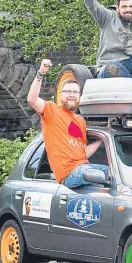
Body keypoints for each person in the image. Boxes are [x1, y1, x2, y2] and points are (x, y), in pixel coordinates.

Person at [27, 59, 108, 188]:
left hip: (83, 167)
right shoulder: (52, 111)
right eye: (68, 92)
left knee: (113, 173)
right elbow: (31, 99)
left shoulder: (81, 121)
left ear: (80, 95)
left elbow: (82, 153)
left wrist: (102, 140)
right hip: (69, 174)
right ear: (60, 94)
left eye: (75, 92)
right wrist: (41, 72)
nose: (71, 95)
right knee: (99, 174)